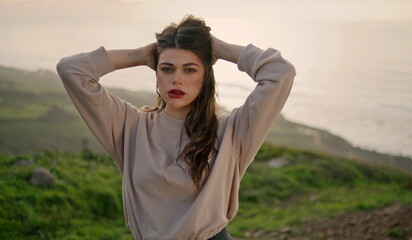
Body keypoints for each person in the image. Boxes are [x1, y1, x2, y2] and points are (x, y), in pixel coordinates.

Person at [56, 15, 295, 240]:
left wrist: (219, 49)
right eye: (167, 69)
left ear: (206, 76)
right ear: (156, 72)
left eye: (190, 69)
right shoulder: (130, 127)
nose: (176, 79)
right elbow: (72, 70)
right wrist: (141, 55)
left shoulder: (232, 132)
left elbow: (280, 73)